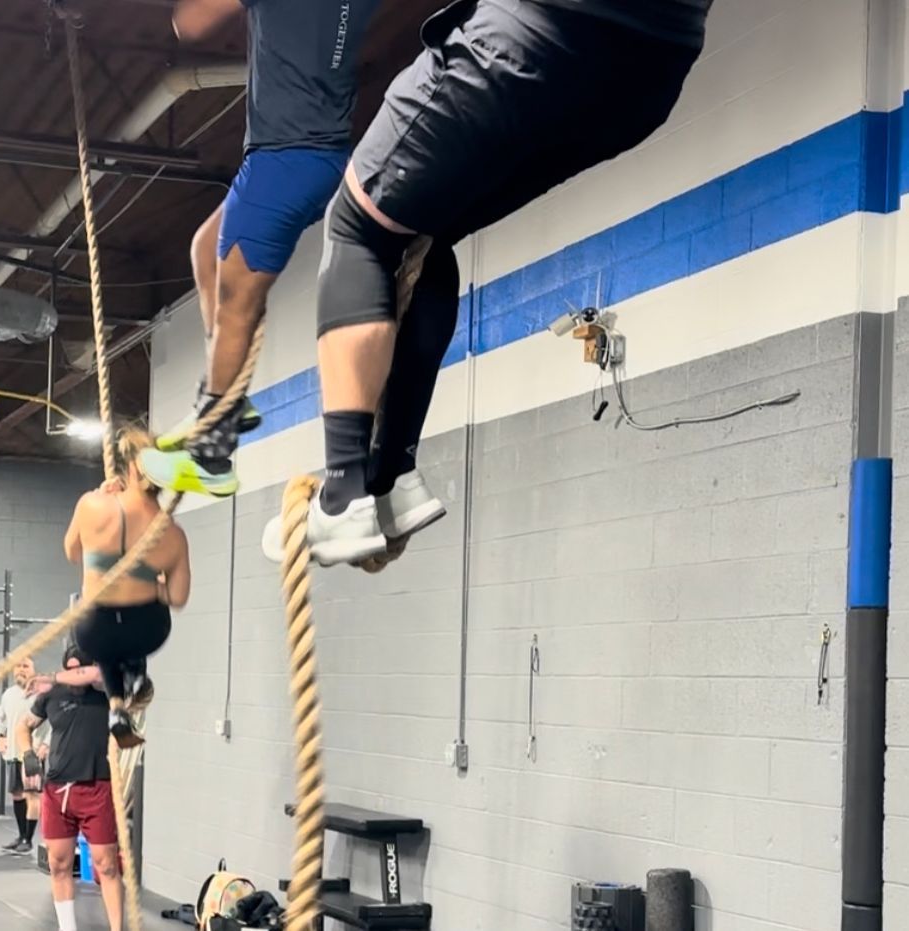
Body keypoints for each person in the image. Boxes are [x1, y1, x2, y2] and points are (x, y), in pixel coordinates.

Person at [249, 0, 714, 564]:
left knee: (356, 227)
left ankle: (345, 492)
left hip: (539, 33)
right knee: (423, 227)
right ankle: (394, 475)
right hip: (653, 71)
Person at [140, 0, 384, 497]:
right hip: (317, 155)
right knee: (206, 249)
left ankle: (212, 455)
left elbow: (188, 23)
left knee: (237, 302)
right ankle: (226, 396)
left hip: (285, 159)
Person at [66, 428, 191, 747]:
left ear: (132, 467)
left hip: (95, 631)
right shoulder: (172, 534)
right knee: (130, 638)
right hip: (147, 631)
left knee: (107, 646)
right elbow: (177, 598)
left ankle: (117, 706)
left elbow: (72, 552)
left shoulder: (91, 505)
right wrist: (150, 585)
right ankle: (135, 673)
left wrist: (101, 498)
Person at [18, 646, 123, 931]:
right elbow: (23, 726)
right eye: (70, 667)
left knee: (107, 864)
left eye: (80, 668)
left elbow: (98, 674)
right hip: (57, 790)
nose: (74, 674)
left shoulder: (106, 691)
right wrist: (27, 753)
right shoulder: (51, 695)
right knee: (59, 863)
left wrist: (51, 676)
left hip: (96, 788)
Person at [0, 656, 50, 854]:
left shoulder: (40, 694)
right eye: (18, 666)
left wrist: (46, 744)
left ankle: (28, 838)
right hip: (12, 753)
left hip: (32, 752)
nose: (21, 670)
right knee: (17, 795)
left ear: (33, 669)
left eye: (26, 666)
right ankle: (20, 835)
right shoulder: (8, 695)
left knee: (32, 795)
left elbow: (52, 720)